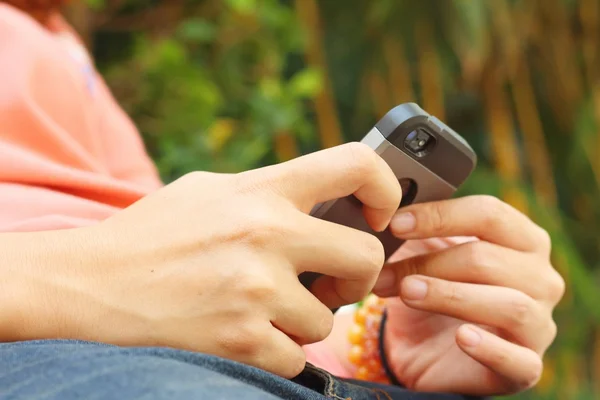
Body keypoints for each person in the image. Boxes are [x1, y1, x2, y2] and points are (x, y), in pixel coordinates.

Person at [0, 2, 564, 400]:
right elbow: (128, 276)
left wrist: (382, 344)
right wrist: (93, 279)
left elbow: (157, 276)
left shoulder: (51, 37)